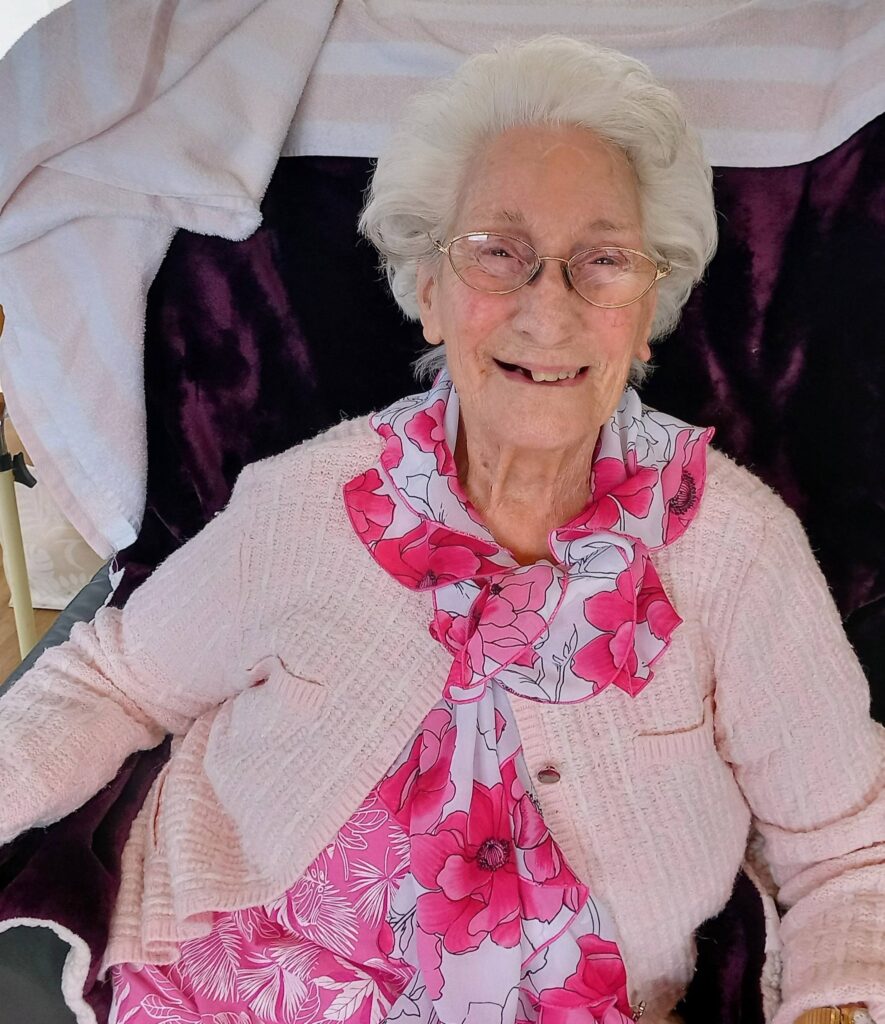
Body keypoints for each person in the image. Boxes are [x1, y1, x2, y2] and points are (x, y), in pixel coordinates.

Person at [1, 34, 882, 1024]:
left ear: (646, 313)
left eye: (603, 261)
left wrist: (836, 1002)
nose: (547, 309)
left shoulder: (736, 548)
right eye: (497, 252)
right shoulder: (308, 503)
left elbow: (850, 848)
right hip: (249, 981)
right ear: (429, 291)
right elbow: (118, 680)